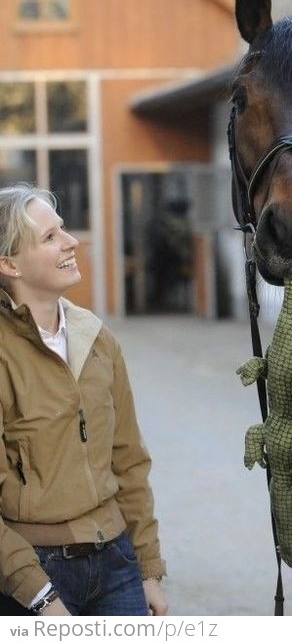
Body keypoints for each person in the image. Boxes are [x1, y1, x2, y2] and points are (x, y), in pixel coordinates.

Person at [0, 184, 167, 616]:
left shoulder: (95, 336)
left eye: (63, 230)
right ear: (8, 264)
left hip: (117, 563)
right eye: (50, 237)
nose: (71, 241)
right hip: (35, 573)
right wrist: (38, 594)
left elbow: (128, 460)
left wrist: (147, 566)